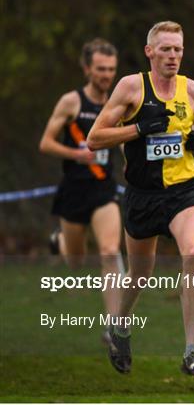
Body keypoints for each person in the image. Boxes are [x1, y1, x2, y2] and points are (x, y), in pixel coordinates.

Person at [87, 21, 194, 381]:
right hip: (143, 194)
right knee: (140, 274)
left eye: (178, 49)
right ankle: (120, 328)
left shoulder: (193, 90)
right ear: (150, 52)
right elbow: (95, 139)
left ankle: (192, 352)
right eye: (166, 49)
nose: (173, 56)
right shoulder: (131, 87)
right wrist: (139, 129)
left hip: (185, 188)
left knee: (193, 253)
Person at [39, 38, 123, 344]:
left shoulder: (118, 102)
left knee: (110, 252)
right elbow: (45, 143)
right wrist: (77, 155)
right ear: (87, 68)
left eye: (111, 69)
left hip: (104, 191)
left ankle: (114, 327)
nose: (106, 75)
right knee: (76, 262)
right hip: (73, 192)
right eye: (100, 69)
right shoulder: (71, 102)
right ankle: (59, 240)